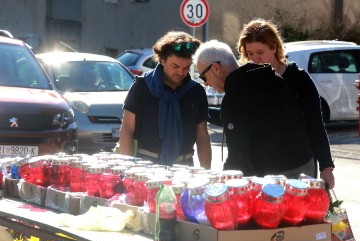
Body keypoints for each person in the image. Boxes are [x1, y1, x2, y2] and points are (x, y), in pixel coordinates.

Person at [193, 40, 322, 182]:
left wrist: (222, 186)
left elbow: (238, 156)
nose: (205, 83)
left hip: (276, 177)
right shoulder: (268, 76)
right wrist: (206, 113)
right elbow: (254, 119)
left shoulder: (235, 96)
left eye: (203, 77)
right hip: (304, 166)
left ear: (216, 68)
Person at [237, 18, 335, 188]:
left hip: (298, 167)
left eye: (260, 52)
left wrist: (327, 167)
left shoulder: (298, 78)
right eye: (250, 54)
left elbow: (315, 124)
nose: (255, 59)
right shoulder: (247, 82)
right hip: (261, 171)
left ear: (274, 47)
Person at [118, 31, 211, 169]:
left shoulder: (196, 91)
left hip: (184, 167)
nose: (181, 72)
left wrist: (206, 173)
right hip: (146, 167)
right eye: (175, 66)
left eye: (186, 67)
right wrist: (126, 169)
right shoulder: (142, 86)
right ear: (162, 60)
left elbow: (202, 135)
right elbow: (127, 129)